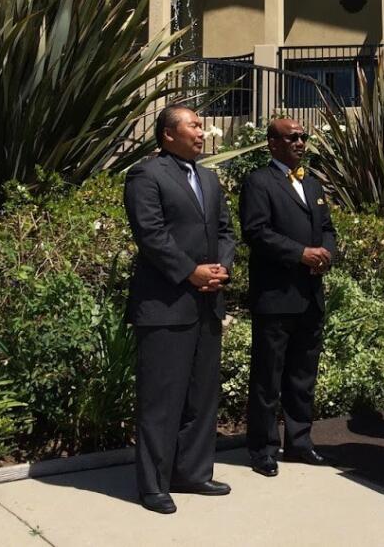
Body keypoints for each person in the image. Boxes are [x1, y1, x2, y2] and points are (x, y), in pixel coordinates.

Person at [124, 104, 236, 514]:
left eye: (201, 125)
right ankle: (153, 484)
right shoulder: (146, 175)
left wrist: (222, 267)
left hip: (207, 302)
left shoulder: (209, 177)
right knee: (161, 398)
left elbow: (225, 229)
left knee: (201, 395)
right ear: (168, 134)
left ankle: (192, 472)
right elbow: (150, 234)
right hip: (165, 305)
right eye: (194, 125)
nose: (202, 131)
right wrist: (190, 272)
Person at [240, 118, 337, 478]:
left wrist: (326, 253)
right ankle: (263, 448)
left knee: (302, 375)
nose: (300, 142)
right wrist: (300, 253)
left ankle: (299, 442)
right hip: (276, 296)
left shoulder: (312, 183)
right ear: (273, 143)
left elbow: (327, 228)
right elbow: (256, 231)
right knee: (269, 376)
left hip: (310, 295)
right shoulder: (258, 182)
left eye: (303, 137)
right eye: (292, 137)